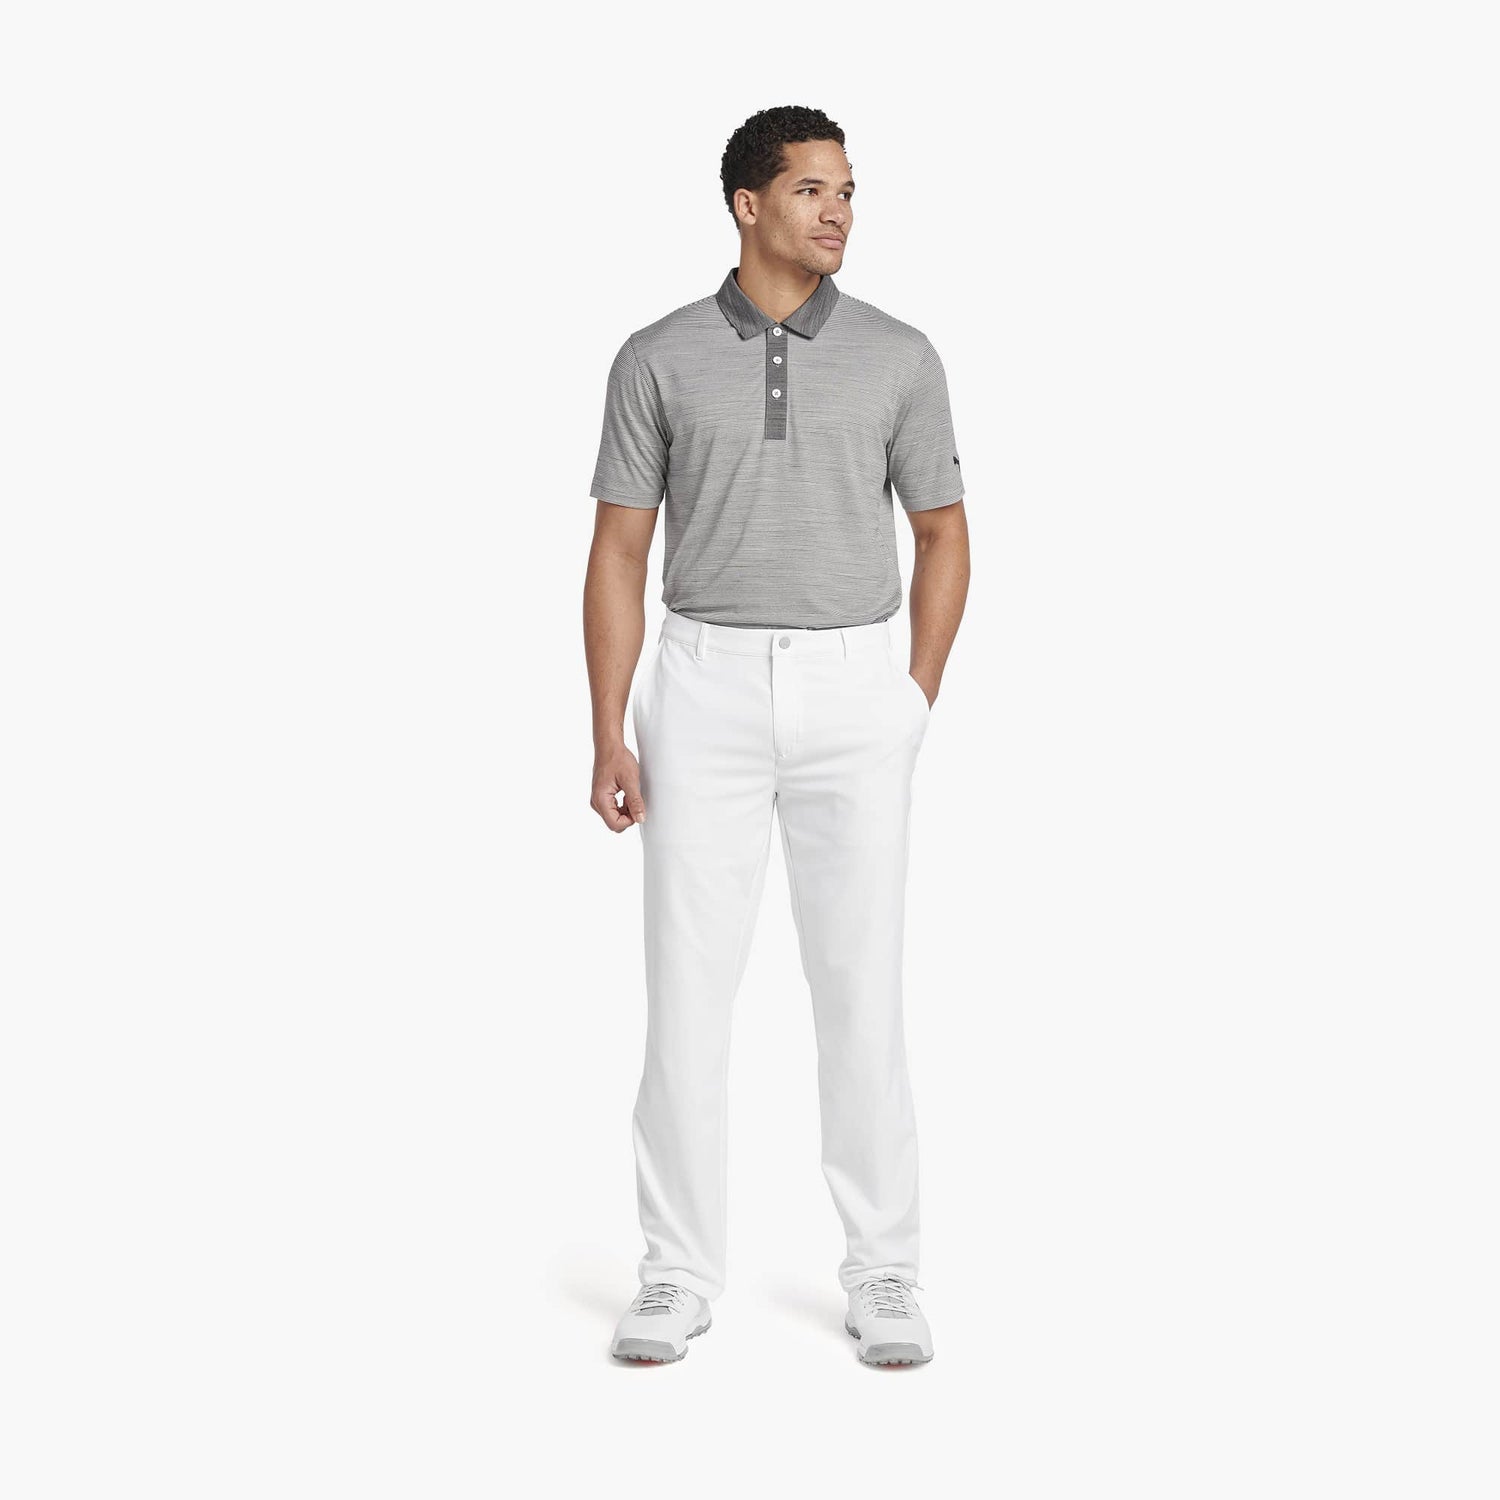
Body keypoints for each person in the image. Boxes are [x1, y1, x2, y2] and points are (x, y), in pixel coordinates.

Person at [584, 105, 970, 1366]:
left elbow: (944, 534)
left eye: (848, 190)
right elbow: (620, 551)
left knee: (862, 989)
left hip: (857, 688)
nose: (838, 211)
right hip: (702, 686)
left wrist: (911, 698)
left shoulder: (901, 356)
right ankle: (675, 1273)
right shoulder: (657, 356)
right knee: (687, 993)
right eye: (811, 190)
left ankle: (886, 1271)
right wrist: (609, 729)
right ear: (748, 204)